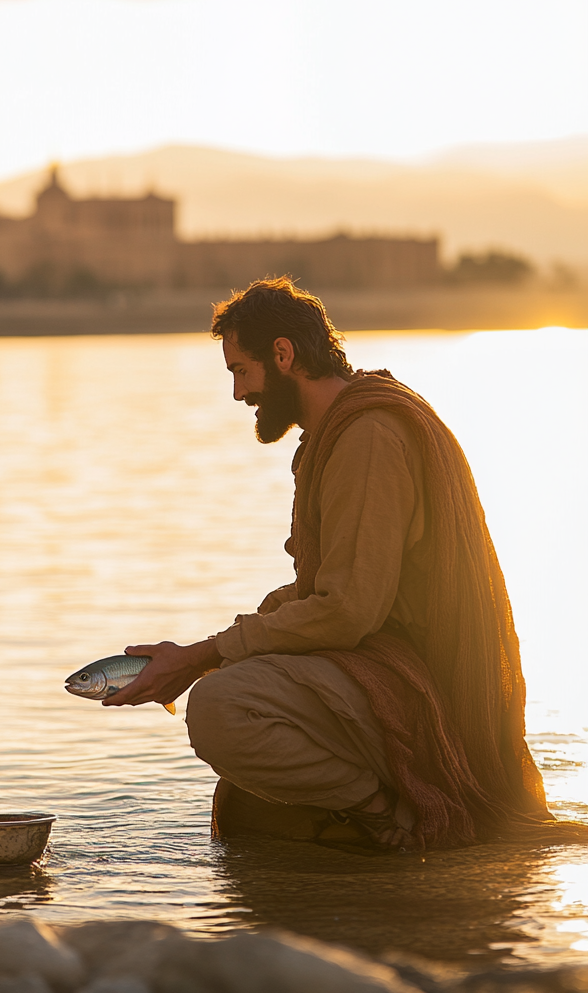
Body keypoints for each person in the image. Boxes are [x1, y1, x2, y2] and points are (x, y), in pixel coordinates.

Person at [105, 276, 583, 851]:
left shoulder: (368, 437)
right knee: (246, 803)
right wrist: (213, 648)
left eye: (240, 371)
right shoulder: (346, 430)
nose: (237, 394)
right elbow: (328, 589)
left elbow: (347, 611)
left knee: (219, 707)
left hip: (419, 688)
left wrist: (203, 660)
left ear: (283, 354)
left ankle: (392, 815)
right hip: (385, 666)